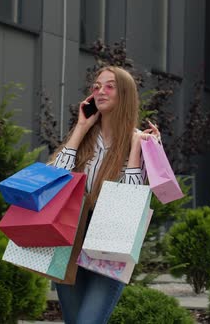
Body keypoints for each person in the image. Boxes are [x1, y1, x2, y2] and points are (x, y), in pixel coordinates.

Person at [50, 66, 159, 324]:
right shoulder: (85, 137)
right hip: (70, 237)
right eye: (97, 86)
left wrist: (135, 150)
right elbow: (53, 180)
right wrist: (80, 127)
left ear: (125, 94)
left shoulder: (141, 141)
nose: (101, 91)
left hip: (110, 241)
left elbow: (131, 202)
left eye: (109, 86)